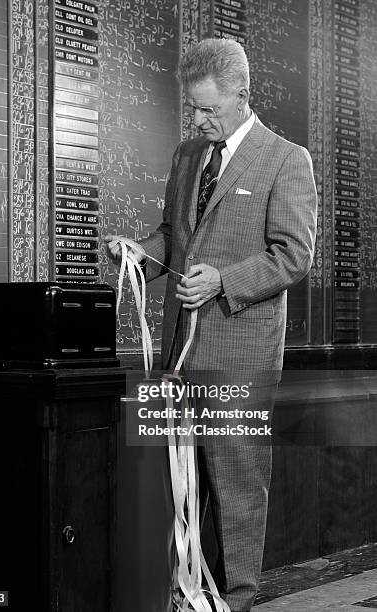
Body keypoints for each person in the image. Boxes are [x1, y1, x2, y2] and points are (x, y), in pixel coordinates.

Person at [105, 38, 317, 612]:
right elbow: (173, 238)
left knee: (238, 488)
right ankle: (186, 596)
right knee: (184, 485)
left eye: (208, 109)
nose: (198, 121)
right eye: (193, 109)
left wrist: (223, 280)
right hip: (180, 354)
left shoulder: (285, 159)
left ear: (242, 95)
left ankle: (237, 602)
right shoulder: (187, 156)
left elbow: (294, 256)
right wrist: (137, 254)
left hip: (241, 355)